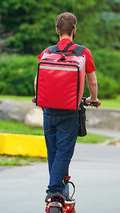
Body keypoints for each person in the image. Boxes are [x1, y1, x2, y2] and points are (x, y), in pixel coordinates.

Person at [34, 12, 98, 202]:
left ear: (57, 30)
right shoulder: (83, 52)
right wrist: (93, 99)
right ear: (74, 30)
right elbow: (92, 81)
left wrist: (39, 100)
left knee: (53, 151)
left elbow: (38, 80)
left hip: (49, 110)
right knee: (64, 151)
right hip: (70, 111)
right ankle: (54, 189)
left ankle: (58, 191)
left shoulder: (48, 52)